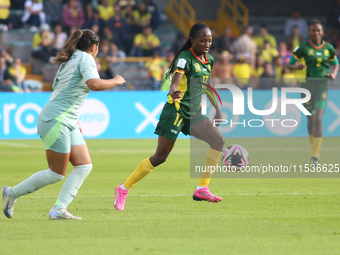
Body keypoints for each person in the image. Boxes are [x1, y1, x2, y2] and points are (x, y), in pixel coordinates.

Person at [2, 29, 126, 220]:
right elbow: (94, 84)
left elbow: (64, 90)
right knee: (56, 173)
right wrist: (116, 81)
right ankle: (12, 193)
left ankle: (59, 208)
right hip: (56, 121)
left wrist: (75, 119)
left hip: (65, 120)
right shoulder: (85, 58)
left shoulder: (71, 59)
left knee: (84, 166)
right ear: (94, 47)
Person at [113, 23, 224, 211]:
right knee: (160, 157)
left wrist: (218, 109)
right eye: (203, 40)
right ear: (192, 40)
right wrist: (173, 92)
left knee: (218, 141)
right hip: (176, 110)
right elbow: (175, 83)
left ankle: (202, 188)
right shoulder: (184, 58)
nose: (207, 44)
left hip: (194, 113)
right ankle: (123, 188)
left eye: (210, 41)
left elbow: (207, 85)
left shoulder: (209, 60)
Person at [286, 19, 339, 166]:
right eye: (313, 30)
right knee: (310, 120)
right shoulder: (302, 47)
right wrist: (297, 66)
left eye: (318, 31)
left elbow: (335, 64)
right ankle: (314, 147)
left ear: (322, 32)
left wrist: (334, 74)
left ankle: (314, 155)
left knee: (317, 118)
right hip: (306, 87)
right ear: (309, 32)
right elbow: (289, 65)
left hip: (322, 85)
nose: (316, 33)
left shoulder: (328, 48)